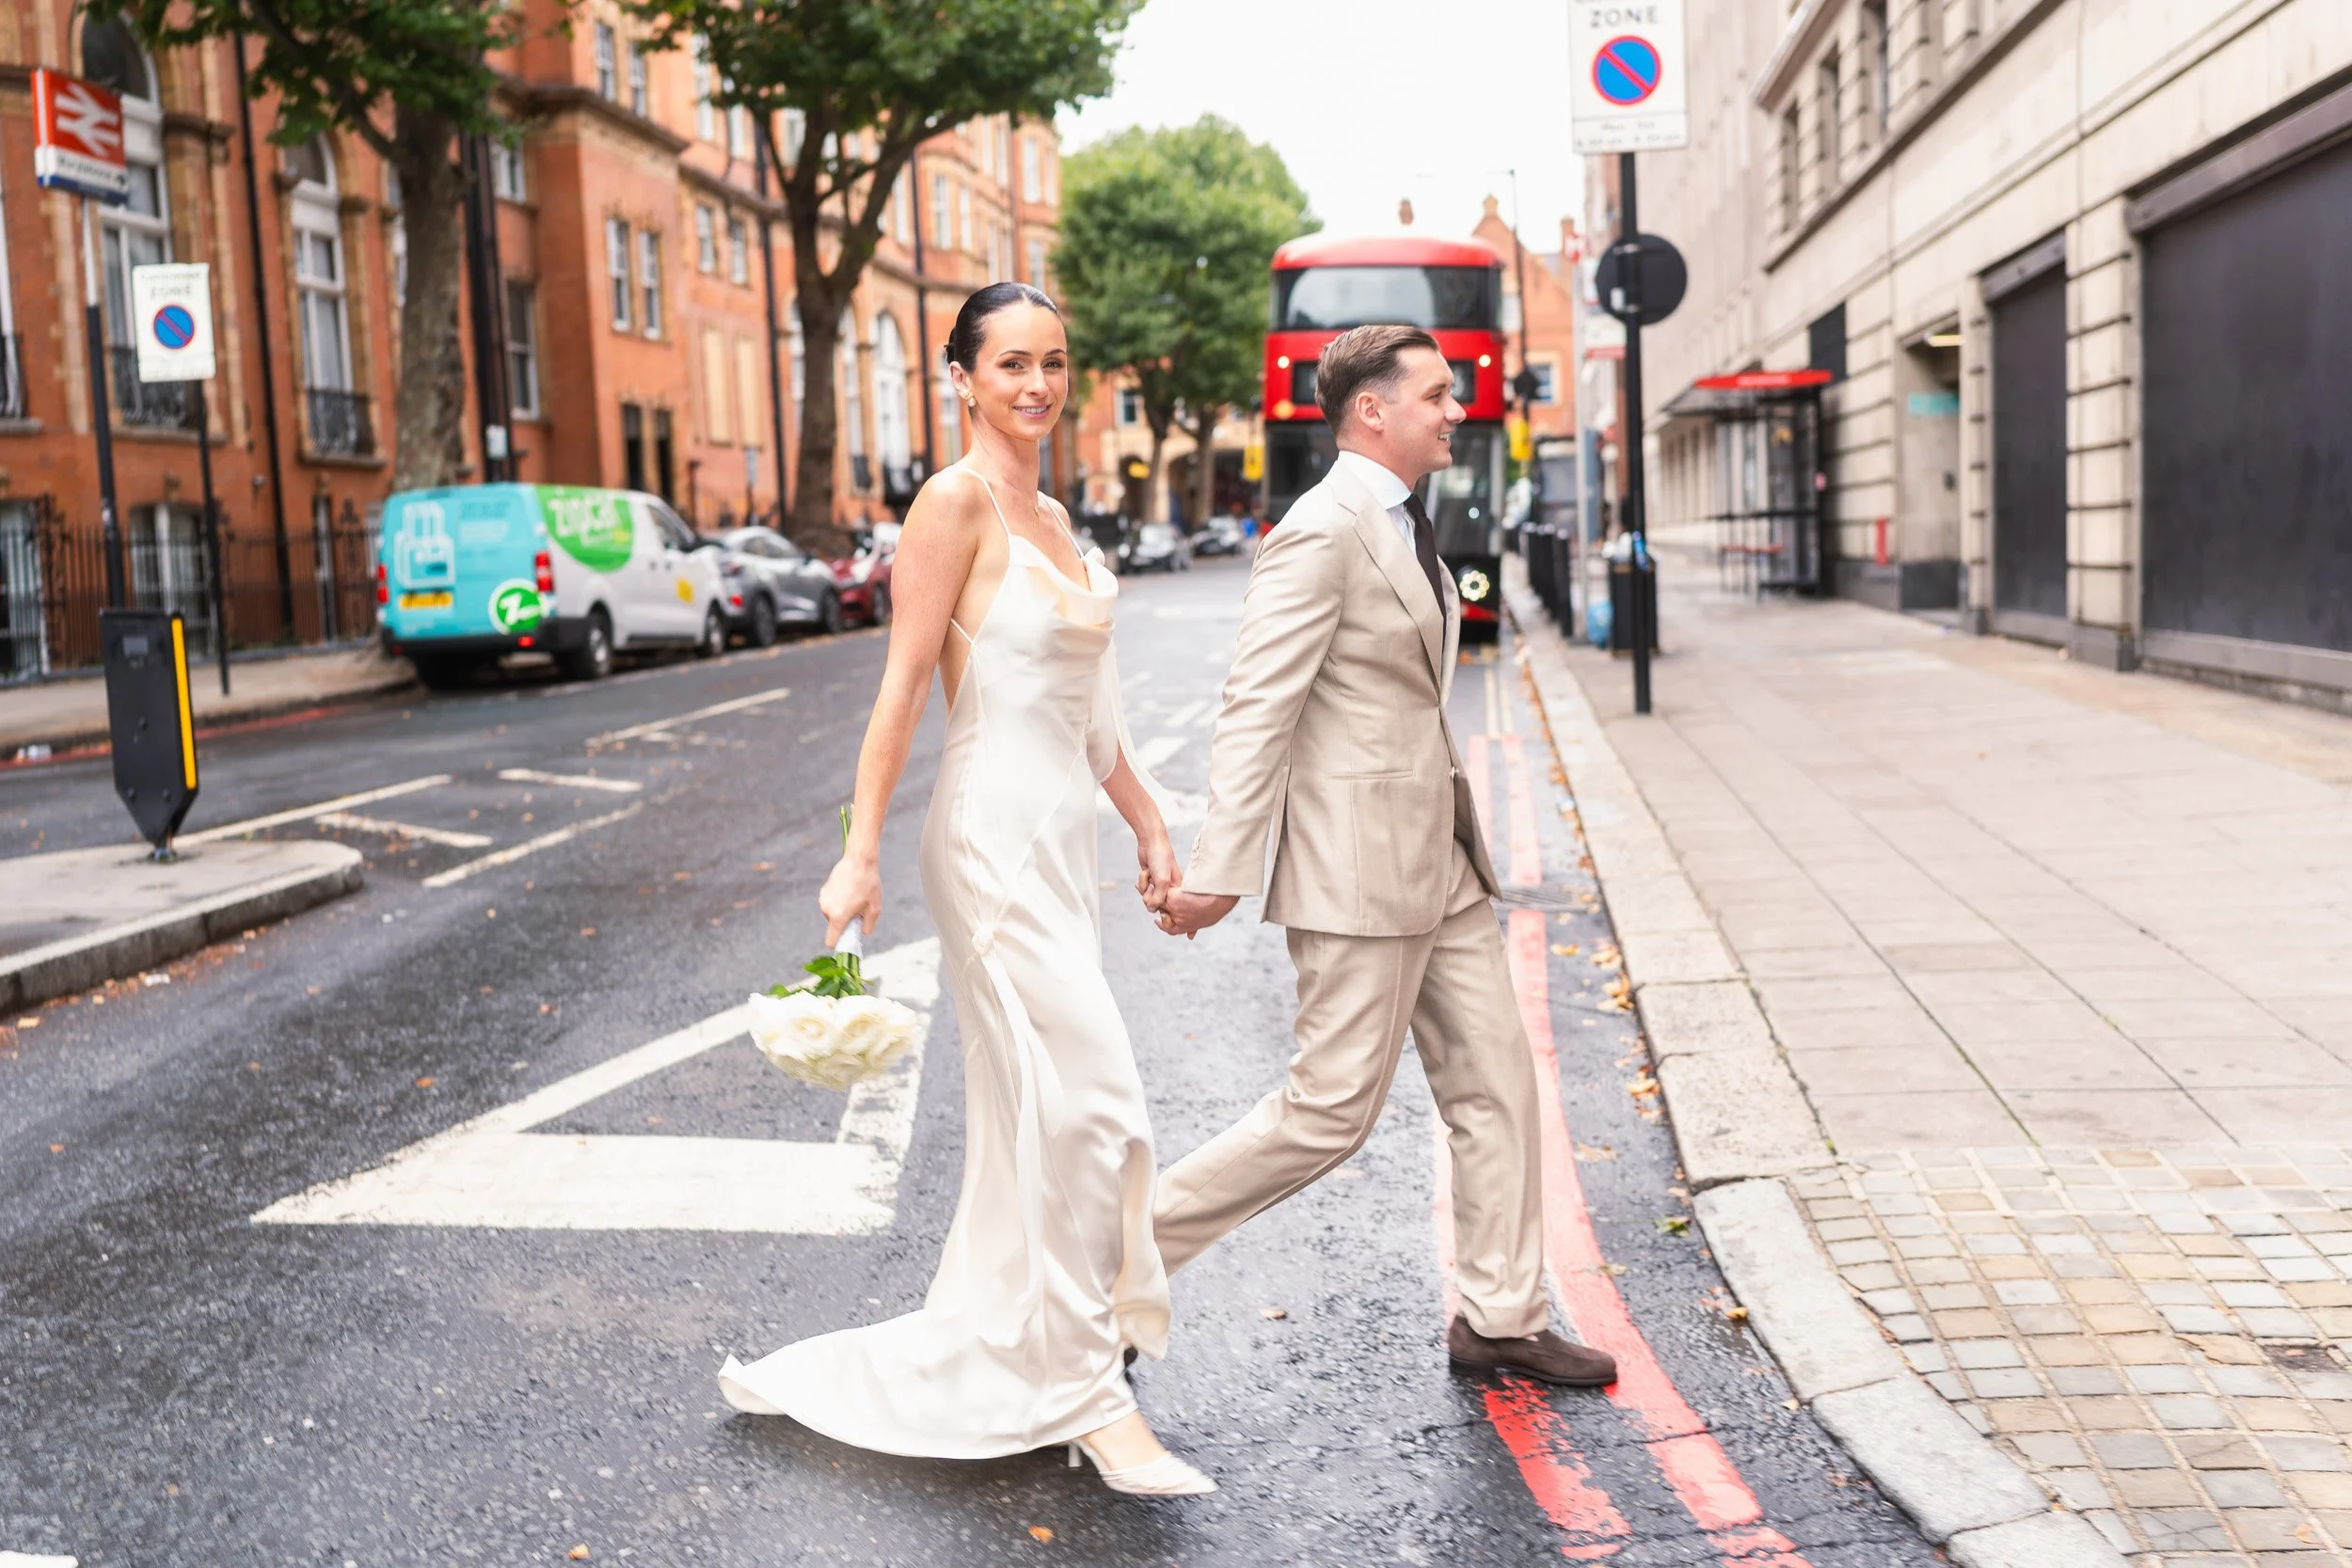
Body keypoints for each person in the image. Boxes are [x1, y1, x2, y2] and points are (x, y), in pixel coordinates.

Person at [717, 282, 1216, 1497]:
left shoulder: (1061, 519)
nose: (1037, 385)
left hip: (1063, 853)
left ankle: (1037, 1348)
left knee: (1033, 1120)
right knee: (1093, 1101)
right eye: (1010, 365)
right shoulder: (953, 505)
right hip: (988, 843)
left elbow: (1094, 721)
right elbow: (897, 692)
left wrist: (1151, 828)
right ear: (961, 377)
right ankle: (1092, 1395)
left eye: (1053, 363)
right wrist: (858, 847)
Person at [1148, 324, 1618, 1390]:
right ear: (1371, 408)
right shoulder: (1323, 528)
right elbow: (1257, 702)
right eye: (1437, 394)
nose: (1458, 410)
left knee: (1496, 1080)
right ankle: (1112, 1266)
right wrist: (1218, 867)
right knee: (1328, 1112)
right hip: (1358, 870)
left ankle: (1501, 1312)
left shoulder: (1402, 520)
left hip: (1436, 857)